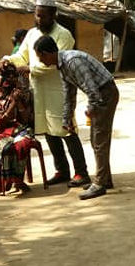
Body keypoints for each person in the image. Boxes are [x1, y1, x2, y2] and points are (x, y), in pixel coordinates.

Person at [2, 0, 89, 188]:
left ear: (53, 15)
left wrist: (30, 69)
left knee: (66, 130)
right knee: (49, 130)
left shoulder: (64, 35)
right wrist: (8, 59)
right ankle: (62, 170)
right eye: (37, 15)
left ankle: (81, 172)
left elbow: (56, 63)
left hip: (59, 90)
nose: (39, 19)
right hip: (39, 91)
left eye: (43, 16)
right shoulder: (32, 33)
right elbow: (21, 56)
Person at [34, 37, 118, 200]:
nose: (40, 60)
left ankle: (100, 184)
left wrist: (91, 108)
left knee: (99, 140)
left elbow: (91, 88)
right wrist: (66, 120)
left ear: (47, 54)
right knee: (97, 140)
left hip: (105, 93)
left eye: (40, 56)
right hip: (100, 94)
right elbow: (69, 95)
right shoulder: (63, 65)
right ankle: (104, 179)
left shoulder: (72, 62)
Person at [0, 63, 34, 193]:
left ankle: (16, 179)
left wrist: (18, 102)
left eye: (15, 77)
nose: (12, 81)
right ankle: (8, 179)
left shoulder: (21, 93)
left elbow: (25, 120)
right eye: (8, 78)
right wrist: (12, 105)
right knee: (6, 146)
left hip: (19, 128)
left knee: (22, 143)